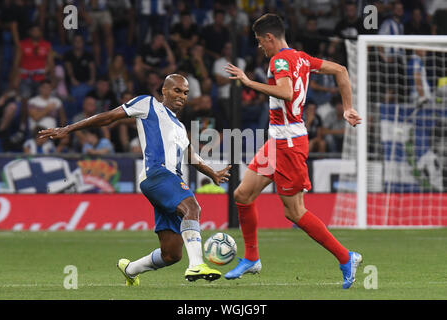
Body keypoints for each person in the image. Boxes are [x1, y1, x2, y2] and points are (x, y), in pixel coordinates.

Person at [38, 74, 231, 285]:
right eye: (177, 90)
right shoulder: (147, 104)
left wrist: (213, 173)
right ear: (164, 91)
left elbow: (191, 157)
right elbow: (110, 116)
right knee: (192, 208)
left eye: (185, 93)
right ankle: (196, 266)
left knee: (171, 254)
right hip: (157, 174)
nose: (182, 96)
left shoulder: (180, 127)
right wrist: (68, 128)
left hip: (168, 181)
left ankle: (130, 269)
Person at [224, 13, 363, 289]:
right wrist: (347, 106)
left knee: (295, 212)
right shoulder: (301, 57)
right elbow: (341, 71)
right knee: (242, 194)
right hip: (276, 142)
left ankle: (347, 257)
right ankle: (252, 258)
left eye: (259, 42)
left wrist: (248, 82)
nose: (259, 47)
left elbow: (286, 92)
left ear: (269, 38)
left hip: (288, 144)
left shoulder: (279, 60)